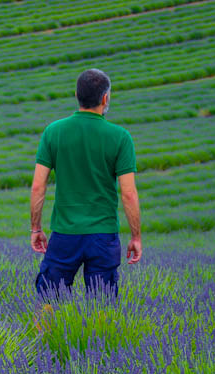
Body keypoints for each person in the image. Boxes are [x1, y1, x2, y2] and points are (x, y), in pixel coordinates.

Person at [30, 68, 142, 299]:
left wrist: (36, 229)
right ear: (105, 98)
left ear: (76, 95)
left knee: (49, 299)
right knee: (101, 306)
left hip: (64, 233)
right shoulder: (120, 137)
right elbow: (128, 194)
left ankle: (45, 336)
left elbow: (38, 187)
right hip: (103, 235)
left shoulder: (53, 132)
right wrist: (136, 237)